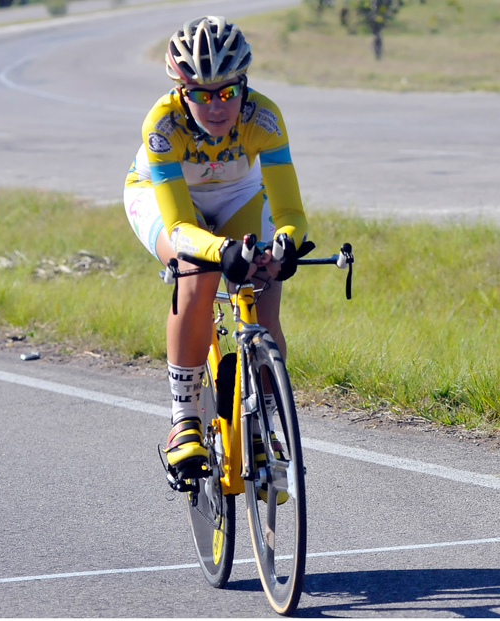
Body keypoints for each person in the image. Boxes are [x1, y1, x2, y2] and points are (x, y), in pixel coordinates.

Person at [124, 15, 308, 480]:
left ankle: (267, 417)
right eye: (201, 95)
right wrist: (220, 250)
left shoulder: (264, 117)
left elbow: (290, 210)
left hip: (237, 195)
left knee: (262, 279)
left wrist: (285, 244)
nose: (216, 106)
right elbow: (182, 224)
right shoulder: (162, 125)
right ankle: (183, 418)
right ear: (181, 92)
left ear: (243, 85)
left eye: (226, 91)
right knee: (198, 271)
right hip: (163, 197)